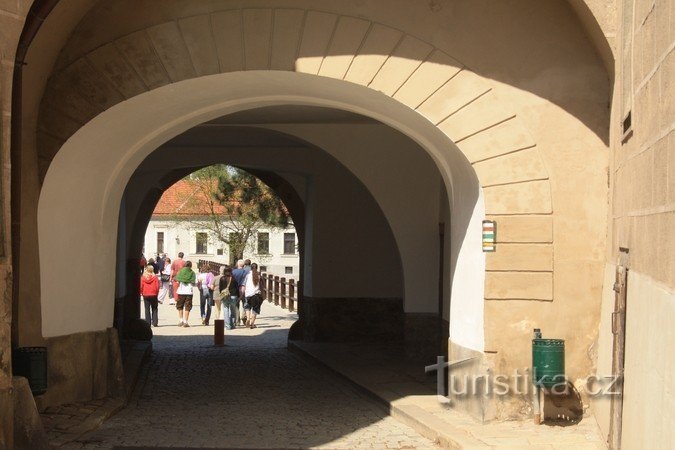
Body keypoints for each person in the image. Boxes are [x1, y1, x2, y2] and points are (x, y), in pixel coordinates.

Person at [174, 260, 196, 327]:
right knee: (187, 306)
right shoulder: (192, 272)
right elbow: (193, 282)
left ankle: (181, 321)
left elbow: (176, 279)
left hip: (181, 291)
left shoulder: (181, 271)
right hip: (189, 291)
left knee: (180, 306)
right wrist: (188, 281)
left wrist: (182, 280)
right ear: (191, 266)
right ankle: (186, 321)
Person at [243, 262, 263, 329]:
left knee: (247, 307)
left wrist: (243, 292)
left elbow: (244, 285)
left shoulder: (247, 275)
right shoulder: (259, 276)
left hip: (248, 294)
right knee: (255, 309)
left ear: (250, 268)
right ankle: (252, 324)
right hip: (256, 294)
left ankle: (248, 318)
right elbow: (262, 286)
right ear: (257, 268)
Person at [232, 259, 248, 326]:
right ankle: (244, 318)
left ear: (238, 264)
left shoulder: (233, 272)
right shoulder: (246, 272)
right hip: (244, 289)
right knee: (245, 304)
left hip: (236, 290)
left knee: (236, 305)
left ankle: (237, 321)